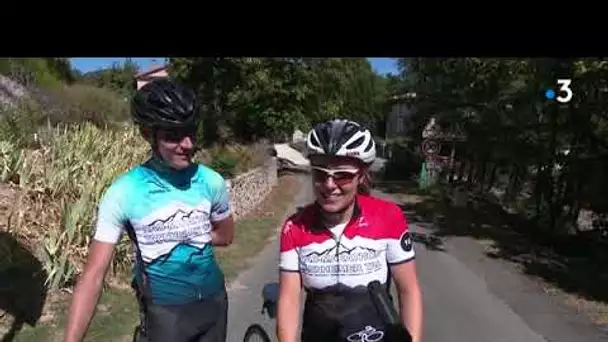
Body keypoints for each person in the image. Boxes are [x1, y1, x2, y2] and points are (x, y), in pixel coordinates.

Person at [62, 78, 235, 342]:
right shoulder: (124, 192)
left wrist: (186, 234)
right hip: (165, 317)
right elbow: (94, 275)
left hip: (214, 306)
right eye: (173, 135)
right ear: (147, 134)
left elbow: (225, 236)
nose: (187, 144)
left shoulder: (212, 181)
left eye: (191, 131)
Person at [276, 119, 423, 342]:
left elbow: (408, 290)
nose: (329, 185)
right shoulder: (294, 227)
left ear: (361, 175)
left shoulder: (388, 217)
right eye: (320, 173)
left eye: (342, 175)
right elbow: (289, 297)